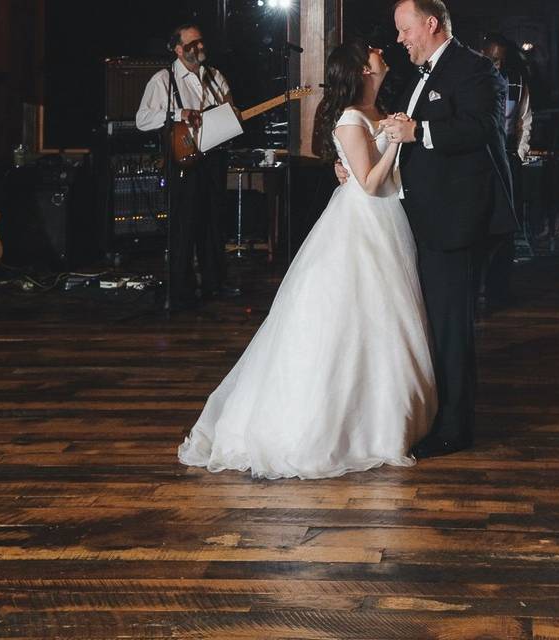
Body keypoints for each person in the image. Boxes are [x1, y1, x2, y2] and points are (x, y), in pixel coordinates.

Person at [177, 41, 437, 479]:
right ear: (360, 69)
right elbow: (371, 183)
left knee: (386, 317)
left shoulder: (379, 109)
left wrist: (390, 138)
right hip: (362, 222)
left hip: (388, 222)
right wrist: (393, 143)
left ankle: (393, 412)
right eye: (372, 52)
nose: (381, 51)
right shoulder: (352, 118)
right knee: (349, 317)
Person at [351, 0, 516, 458]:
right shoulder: (418, 75)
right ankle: (435, 414)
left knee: (450, 327)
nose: (400, 40)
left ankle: (455, 429)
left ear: (431, 24)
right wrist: (355, 165)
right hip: (424, 219)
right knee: (433, 325)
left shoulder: (476, 68)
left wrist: (419, 130)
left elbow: (481, 128)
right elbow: (403, 136)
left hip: (457, 221)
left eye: (405, 31)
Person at [136, 23, 235, 310]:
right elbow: (143, 119)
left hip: (214, 159)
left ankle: (215, 284)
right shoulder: (163, 80)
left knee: (213, 223)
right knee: (184, 225)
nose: (199, 48)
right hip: (184, 161)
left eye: (201, 42)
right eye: (192, 44)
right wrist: (180, 113)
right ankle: (181, 290)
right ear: (178, 50)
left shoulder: (215, 77)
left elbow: (229, 109)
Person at [478, 32, 533, 309]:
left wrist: (519, 155)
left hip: (508, 160)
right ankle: (478, 288)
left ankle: (499, 291)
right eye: (492, 59)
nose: (496, 65)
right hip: (479, 162)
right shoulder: (473, 82)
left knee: (506, 229)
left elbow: (525, 119)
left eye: (501, 60)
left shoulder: (517, 82)